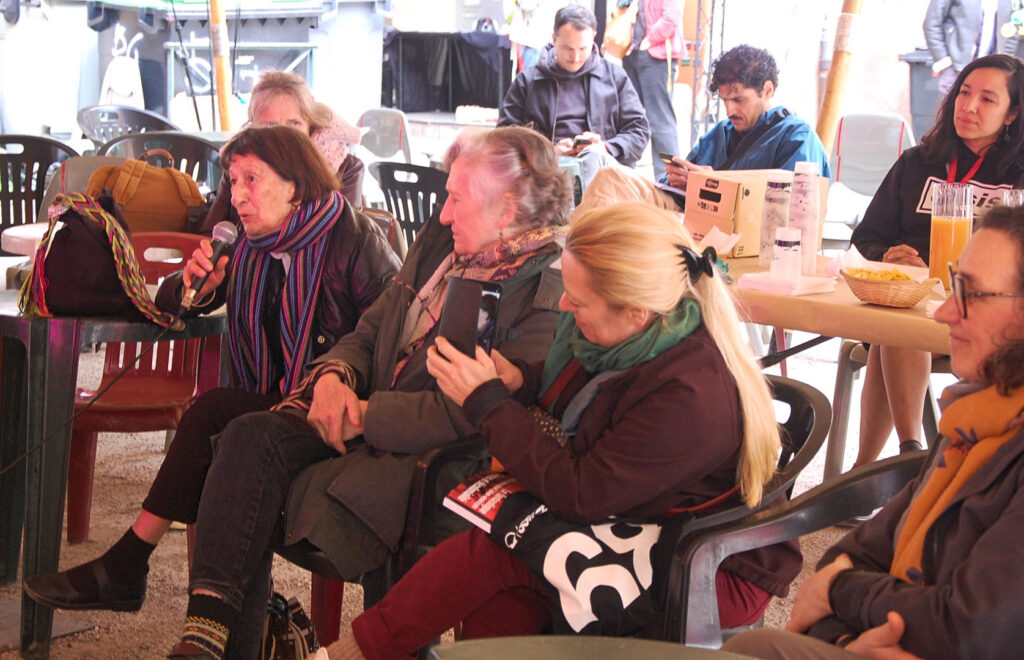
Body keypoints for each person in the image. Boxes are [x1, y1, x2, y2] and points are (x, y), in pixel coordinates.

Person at [312, 201, 803, 660]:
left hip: (706, 562)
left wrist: (486, 401)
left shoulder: (688, 395)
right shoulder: (645, 336)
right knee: (499, 571)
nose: (564, 304)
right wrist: (520, 380)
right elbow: (592, 396)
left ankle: (350, 653)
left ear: (636, 311)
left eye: (579, 300)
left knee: (497, 549)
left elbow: (580, 493)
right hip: (644, 517)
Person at [157, 125, 570, 659]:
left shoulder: (546, 289)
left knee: (248, 493)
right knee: (244, 435)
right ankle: (207, 640)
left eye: (455, 198)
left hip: (427, 461)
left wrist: (366, 415)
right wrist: (334, 376)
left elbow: (468, 412)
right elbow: (372, 327)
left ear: (507, 209)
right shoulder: (444, 245)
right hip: (361, 420)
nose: (443, 213)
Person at [23, 125, 401, 636]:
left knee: (217, 417)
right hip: (276, 408)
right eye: (232, 180)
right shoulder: (245, 244)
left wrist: (336, 380)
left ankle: (129, 565)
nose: (238, 195)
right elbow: (169, 303)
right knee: (221, 426)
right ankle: (148, 581)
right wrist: (191, 285)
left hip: (338, 415)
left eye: (252, 179)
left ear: (295, 185)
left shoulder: (353, 239)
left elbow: (389, 339)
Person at [723, 203, 1024, 659]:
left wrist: (842, 594)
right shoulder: (971, 422)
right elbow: (845, 557)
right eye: (953, 285)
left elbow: (971, 629)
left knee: (756, 648)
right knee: (756, 645)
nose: (944, 313)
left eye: (971, 293)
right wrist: (848, 640)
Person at [849, 53, 1024, 467]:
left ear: (1012, 114)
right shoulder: (917, 162)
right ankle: (898, 459)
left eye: (987, 99)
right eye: (964, 93)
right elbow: (867, 236)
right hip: (910, 301)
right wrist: (888, 256)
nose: (969, 106)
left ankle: (889, 463)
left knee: (894, 329)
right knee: (898, 320)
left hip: (983, 313)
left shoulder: (1018, 175)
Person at [571, 44, 829, 217]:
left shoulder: (796, 137)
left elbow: (791, 211)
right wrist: (677, 180)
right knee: (609, 177)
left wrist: (715, 184)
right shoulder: (721, 132)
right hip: (687, 216)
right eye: (725, 100)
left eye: (738, 99)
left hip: (739, 232)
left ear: (768, 90)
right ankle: (578, 262)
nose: (729, 110)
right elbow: (672, 189)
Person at [498, 4, 651, 185]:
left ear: (594, 38)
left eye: (583, 49)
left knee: (592, 156)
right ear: (554, 39)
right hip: (548, 170)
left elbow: (639, 132)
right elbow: (503, 138)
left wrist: (606, 147)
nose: (575, 57)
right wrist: (548, 152)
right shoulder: (528, 82)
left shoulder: (615, 77)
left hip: (603, 173)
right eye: (568, 49)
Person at [200, 70, 366, 232]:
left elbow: (347, 239)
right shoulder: (238, 168)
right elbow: (208, 233)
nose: (283, 137)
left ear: (311, 126)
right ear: (253, 130)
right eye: (270, 127)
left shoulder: (347, 169)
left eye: (294, 124)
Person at [621, 0, 684, 180]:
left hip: (656, 55)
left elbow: (671, 18)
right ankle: (623, 176)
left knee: (660, 120)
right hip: (631, 53)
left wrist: (648, 40)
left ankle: (669, 181)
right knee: (628, 116)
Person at [924, 0, 1023, 95]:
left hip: (993, 69)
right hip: (956, 68)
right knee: (954, 105)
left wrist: (1005, 60)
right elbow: (932, 23)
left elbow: (1014, 26)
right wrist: (943, 59)